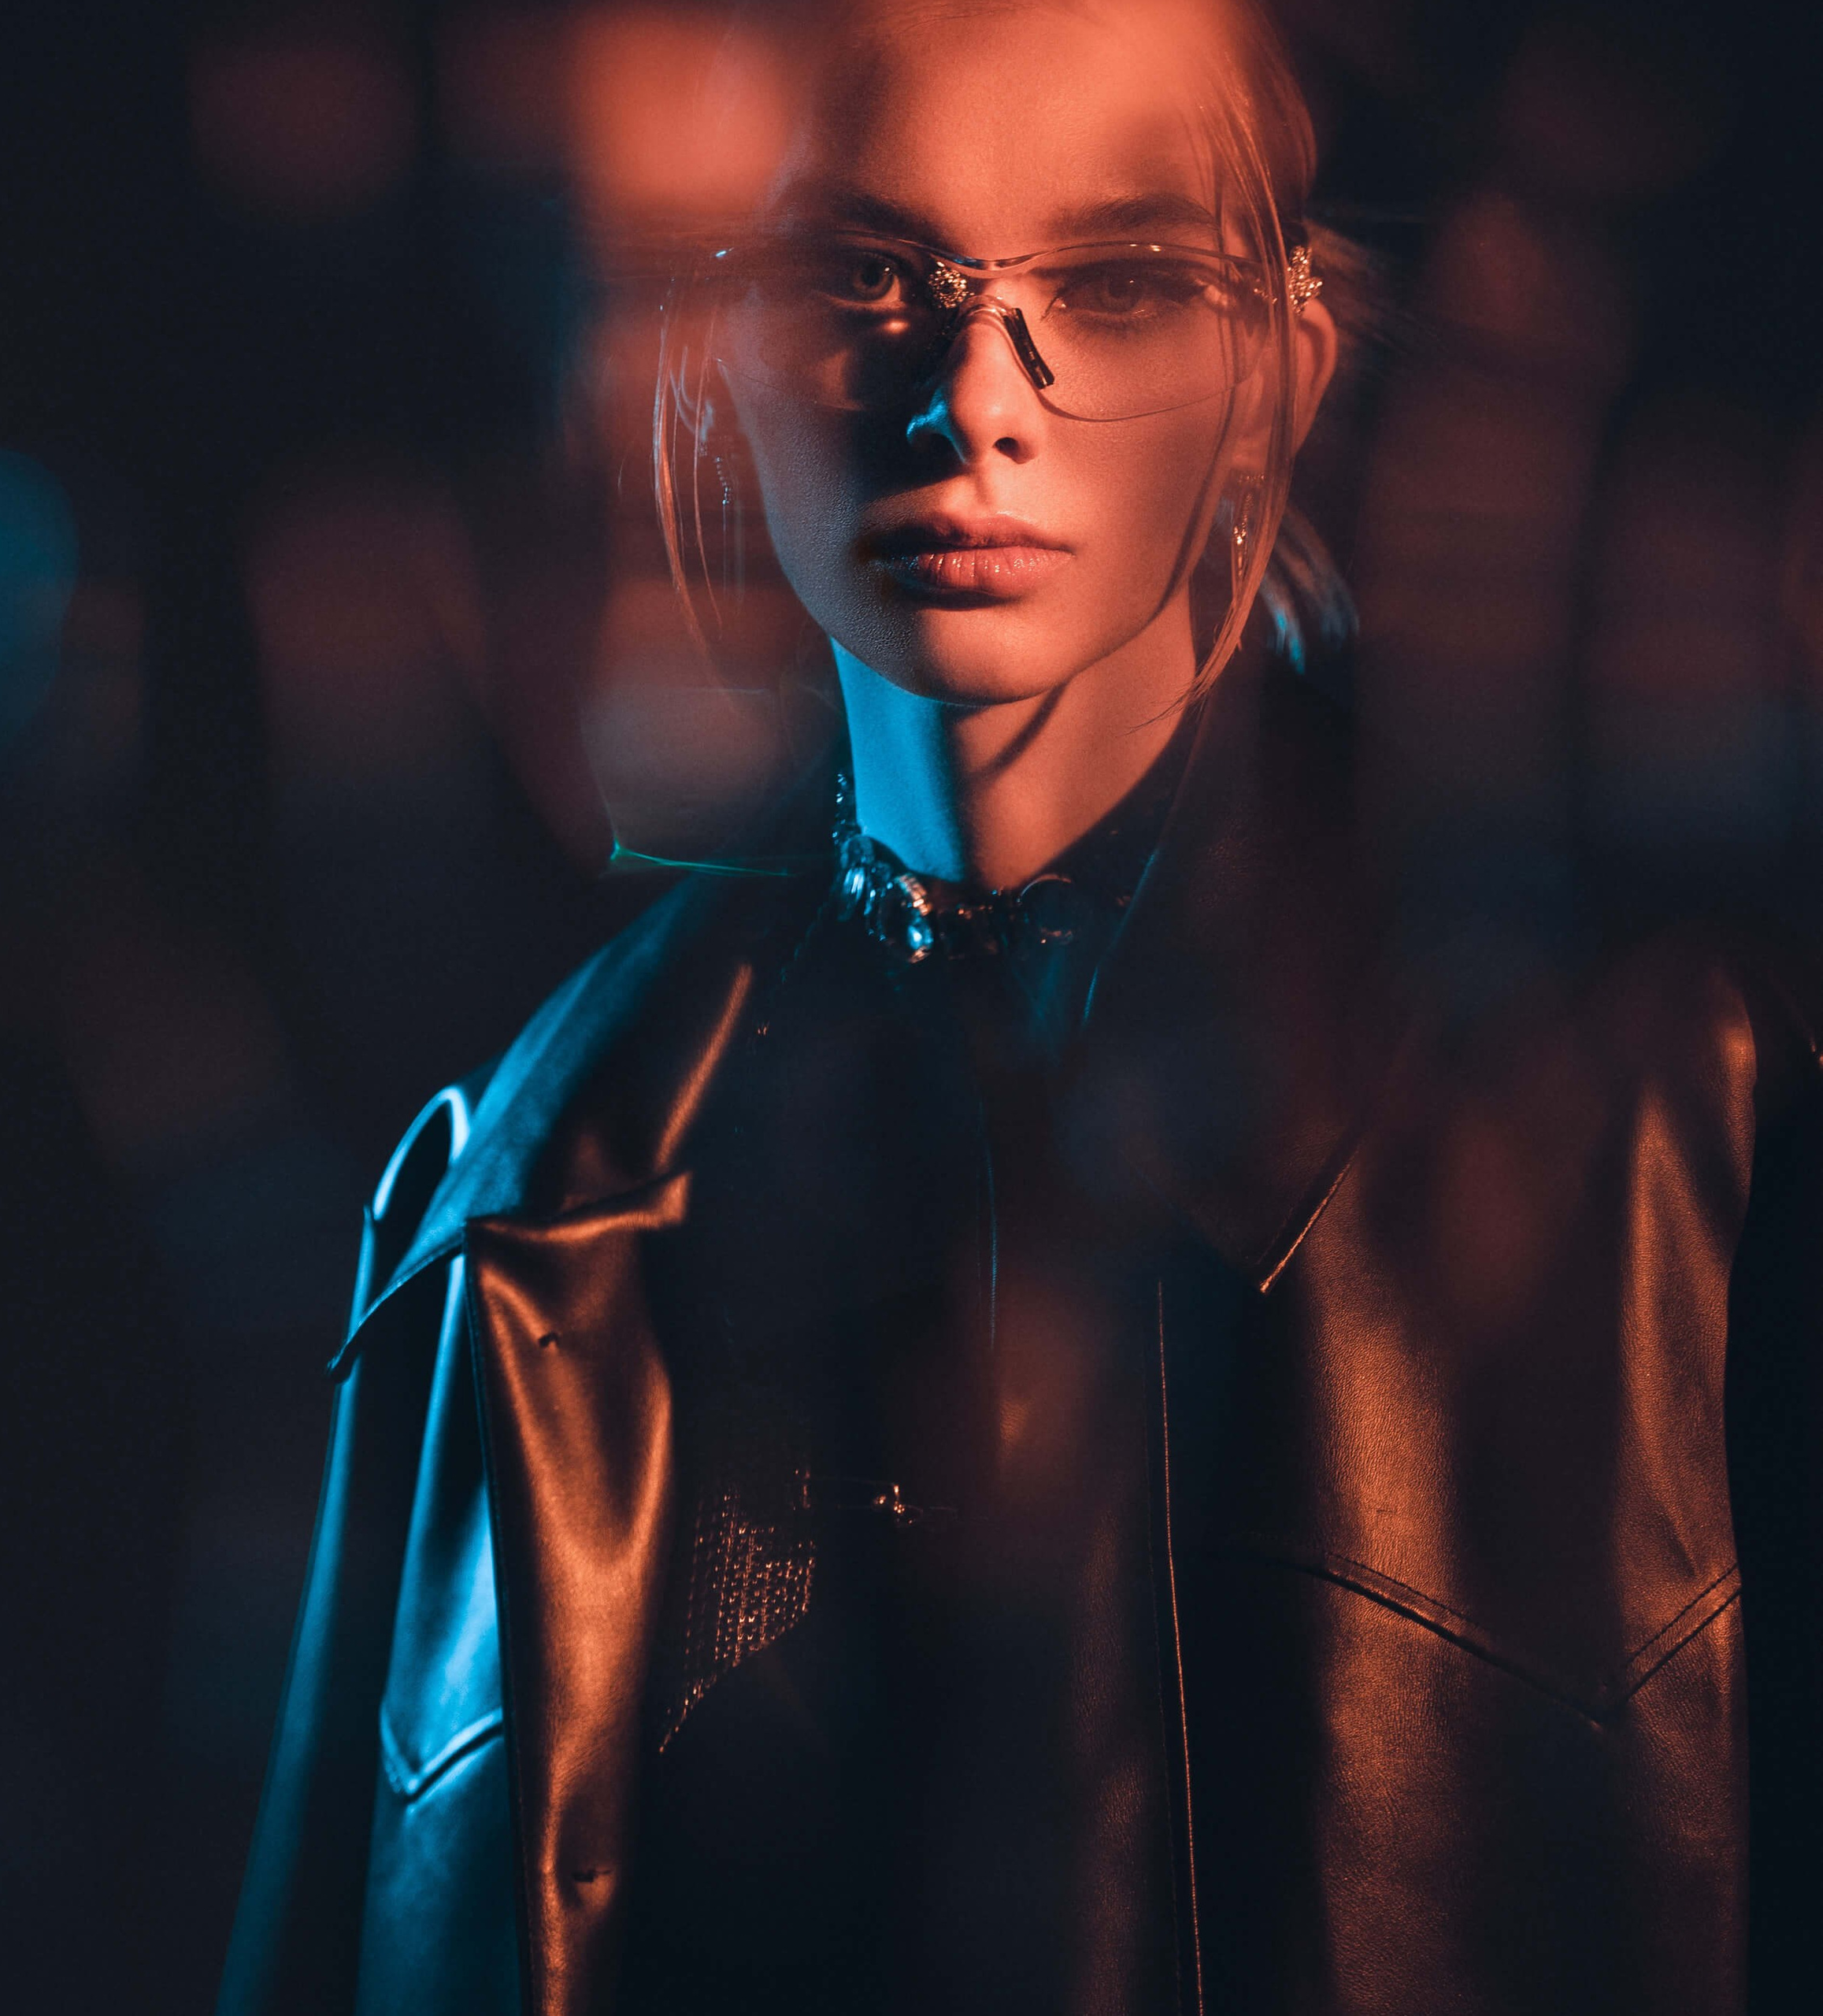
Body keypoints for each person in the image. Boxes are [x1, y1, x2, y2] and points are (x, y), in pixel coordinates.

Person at [217, 3, 1823, 2011]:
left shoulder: (1695, 1125)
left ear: (1281, 369)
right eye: (856, 273)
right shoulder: (527, 1203)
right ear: (715, 351)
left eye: (1125, 281)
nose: (973, 387)